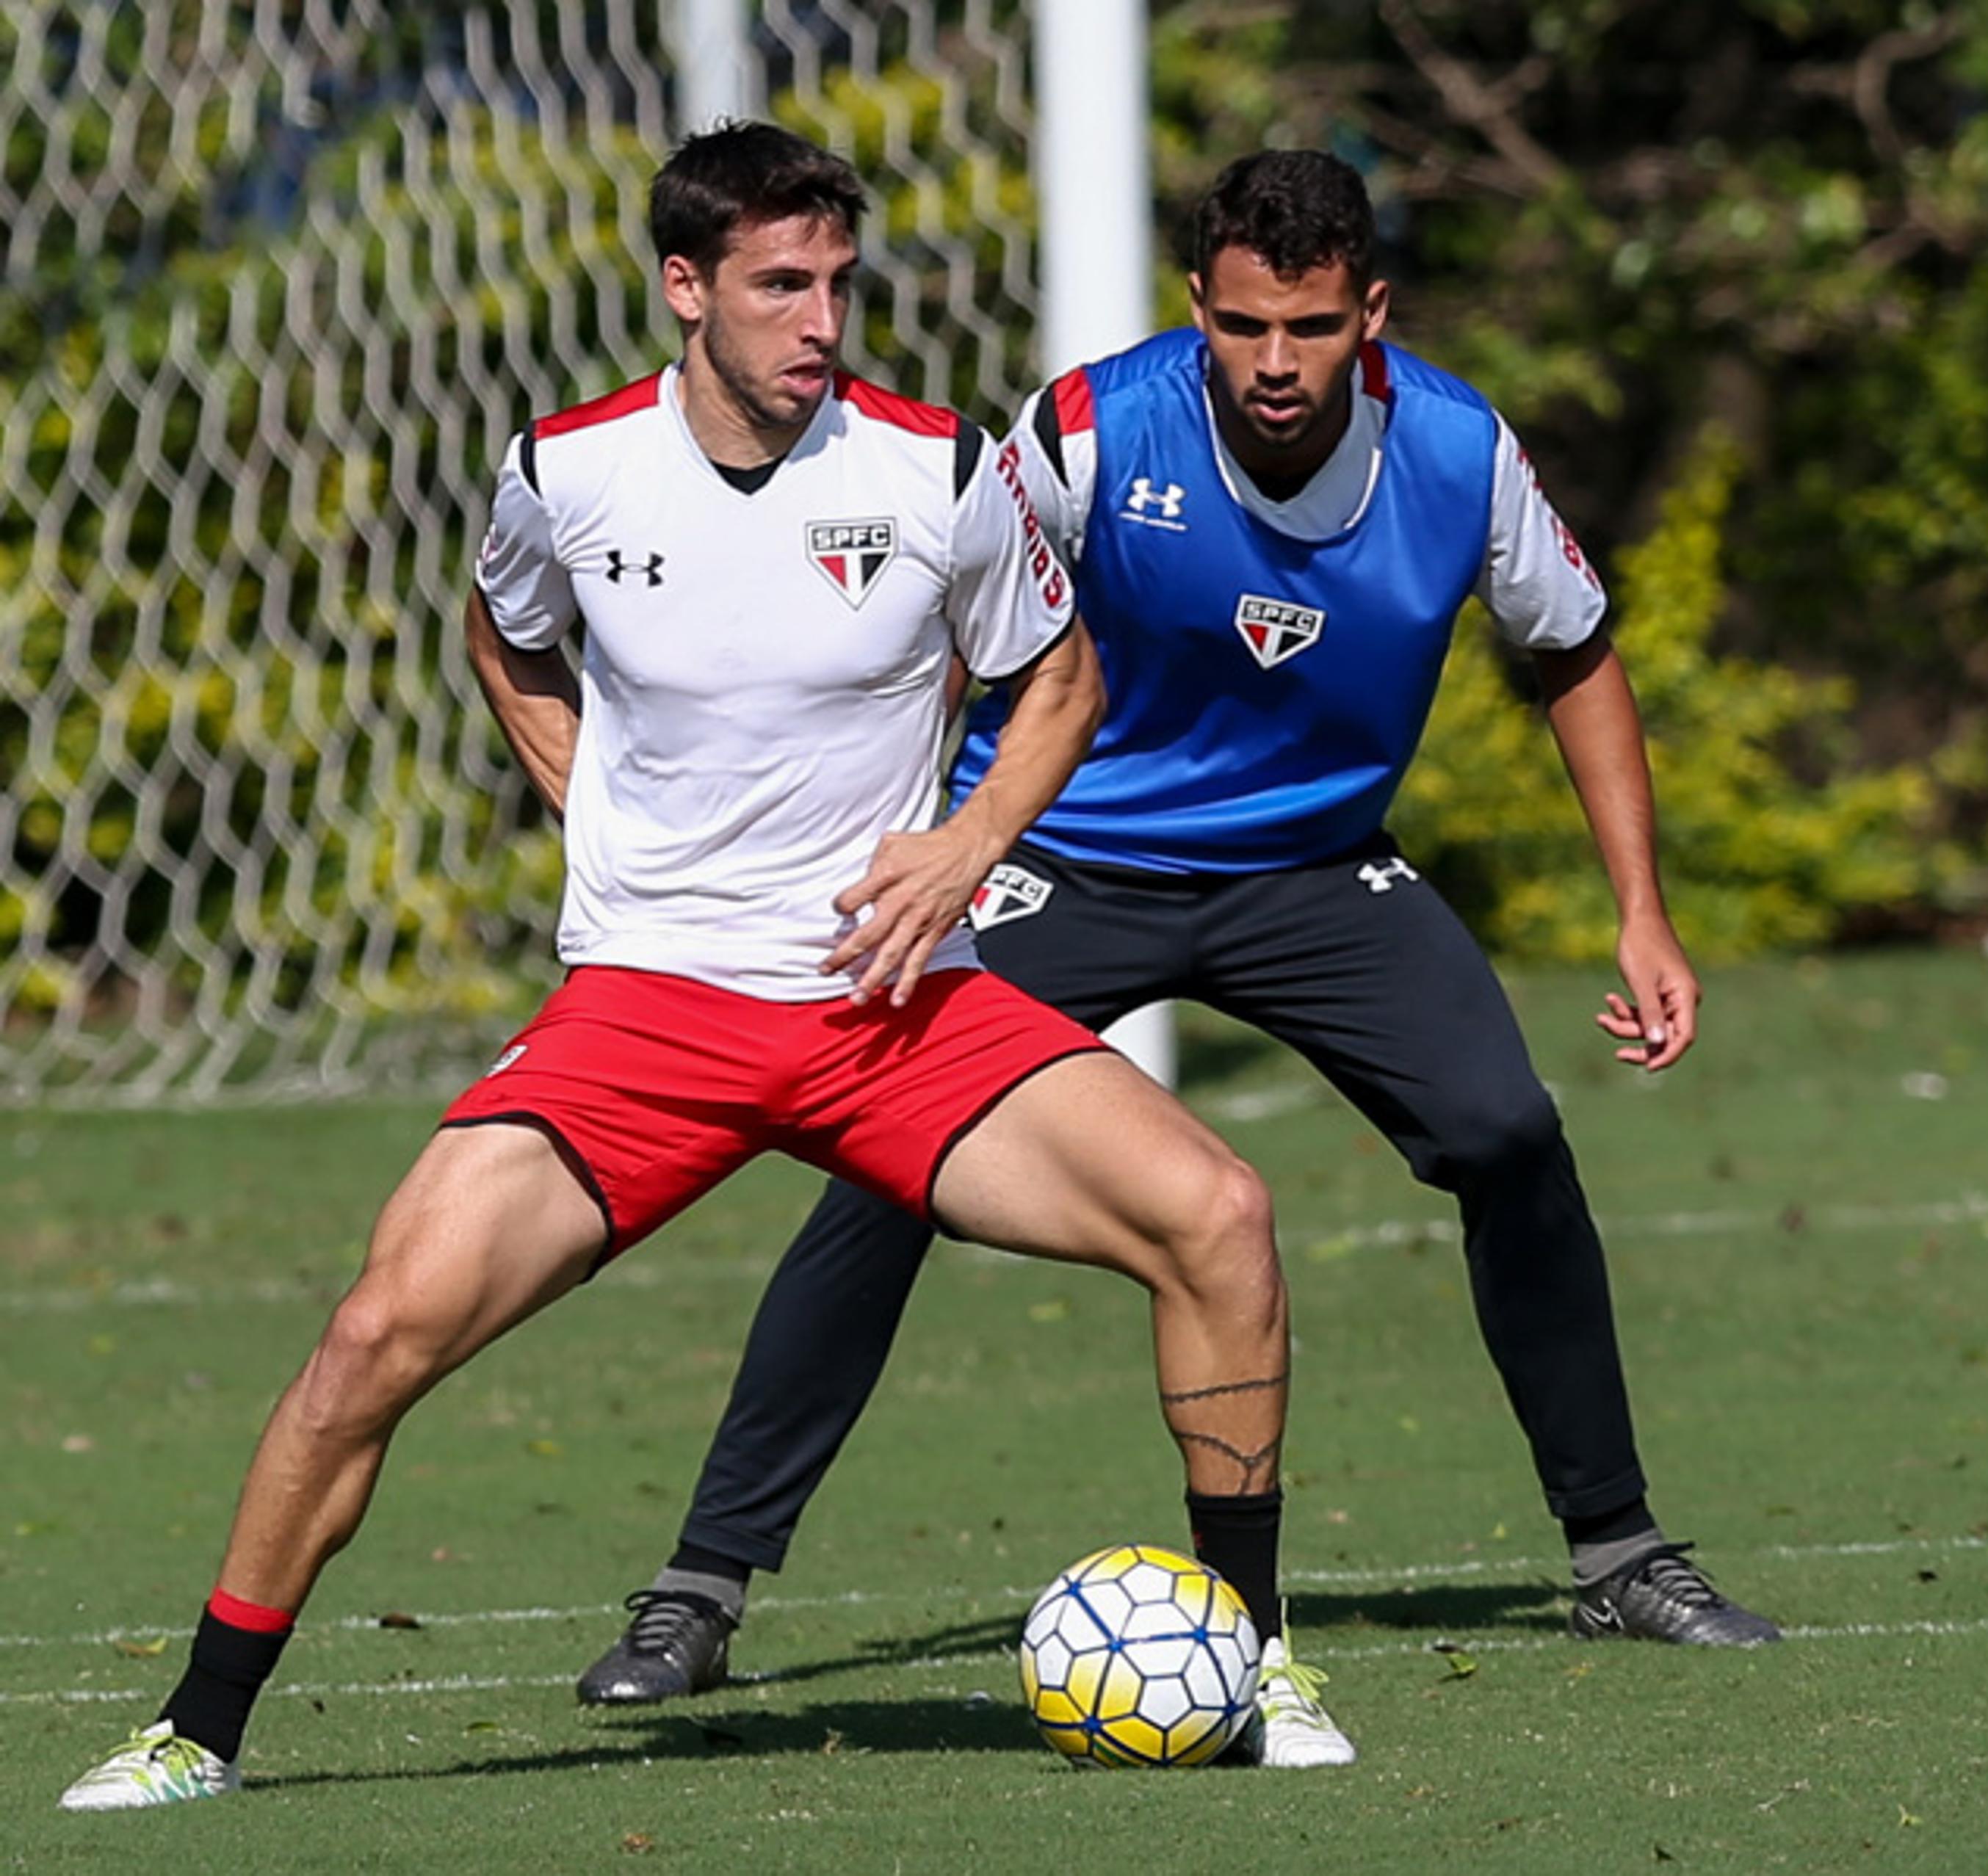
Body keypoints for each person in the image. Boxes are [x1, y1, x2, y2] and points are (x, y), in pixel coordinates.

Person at [58, 123, 1348, 1815]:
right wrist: (588, 802)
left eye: (837, 282)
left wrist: (964, 855)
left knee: (1221, 1216)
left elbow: (1059, 684)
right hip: (646, 1015)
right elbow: (507, 630)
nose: (820, 320)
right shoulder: (568, 471)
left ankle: (1252, 1662)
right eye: (778, 285)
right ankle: (196, 1731)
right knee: (378, 1330)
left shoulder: (940, 467)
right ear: (687, 288)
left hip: (890, 1009)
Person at [569, 146, 1780, 1715]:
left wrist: (1642, 913)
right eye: (1245, 328)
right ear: (1196, 307)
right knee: (881, 1174)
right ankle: (700, 1590)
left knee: (1506, 1131)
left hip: (1315, 872)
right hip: (1058, 859)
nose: (1277, 365)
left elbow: (1579, 654)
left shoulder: (1462, 452)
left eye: (1317, 329)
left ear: (1374, 316)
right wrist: (938, 838)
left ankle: (1621, 1556)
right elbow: (938, 610)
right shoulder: (1087, 428)